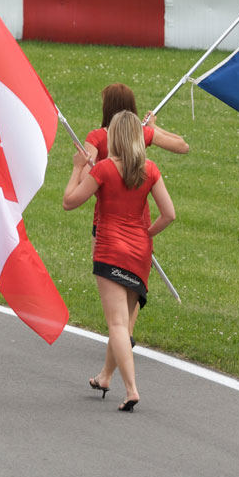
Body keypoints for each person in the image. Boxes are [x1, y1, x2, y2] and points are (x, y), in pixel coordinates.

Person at [64, 110, 176, 413]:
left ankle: (131, 389)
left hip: (110, 249)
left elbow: (69, 201)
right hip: (139, 254)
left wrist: (77, 169)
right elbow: (169, 214)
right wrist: (146, 235)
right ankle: (105, 377)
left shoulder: (102, 170)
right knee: (123, 324)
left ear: (114, 137)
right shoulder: (150, 169)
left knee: (115, 323)